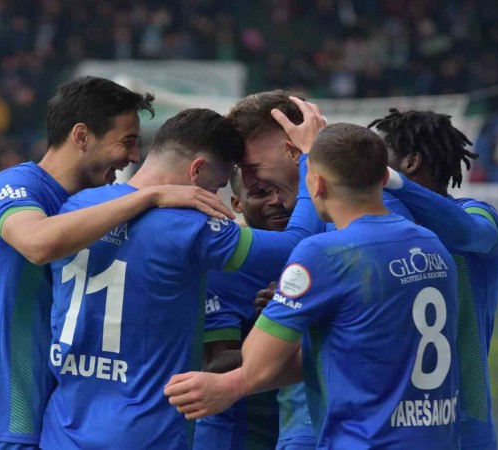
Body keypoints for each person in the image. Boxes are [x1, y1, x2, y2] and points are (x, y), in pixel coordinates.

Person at [0, 77, 235, 450]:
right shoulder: (14, 186)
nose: (134, 157)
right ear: (81, 136)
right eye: (127, 141)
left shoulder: (91, 207)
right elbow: (38, 243)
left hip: (62, 423)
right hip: (6, 421)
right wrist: (149, 195)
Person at [40, 108, 324, 450]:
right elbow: (296, 245)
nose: (215, 199)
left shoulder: (78, 206)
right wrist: (310, 157)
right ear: (197, 171)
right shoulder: (190, 228)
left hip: (62, 431)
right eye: (216, 187)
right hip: (144, 435)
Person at [165, 123, 461, 449]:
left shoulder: (323, 253)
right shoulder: (431, 245)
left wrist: (230, 384)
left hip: (365, 440)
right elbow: (362, 343)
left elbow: (256, 362)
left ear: (316, 184)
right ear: (382, 178)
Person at [226, 90, 415, 450]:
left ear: (293, 150)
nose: (246, 180)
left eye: (251, 166)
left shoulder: (362, 218)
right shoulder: (317, 217)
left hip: (354, 430)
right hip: (314, 423)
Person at [370, 108, 498, 450]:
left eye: (379, 156)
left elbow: (468, 232)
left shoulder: (477, 213)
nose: (368, 164)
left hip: (465, 426)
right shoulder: (372, 228)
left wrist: (392, 182)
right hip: (391, 424)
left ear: (410, 162)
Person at [195, 167, 287, 450]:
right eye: (260, 193)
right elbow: (215, 363)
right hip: (238, 435)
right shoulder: (224, 266)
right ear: (237, 203)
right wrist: (284, 322)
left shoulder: (318, 250)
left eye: (282, 189)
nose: (276, 200)